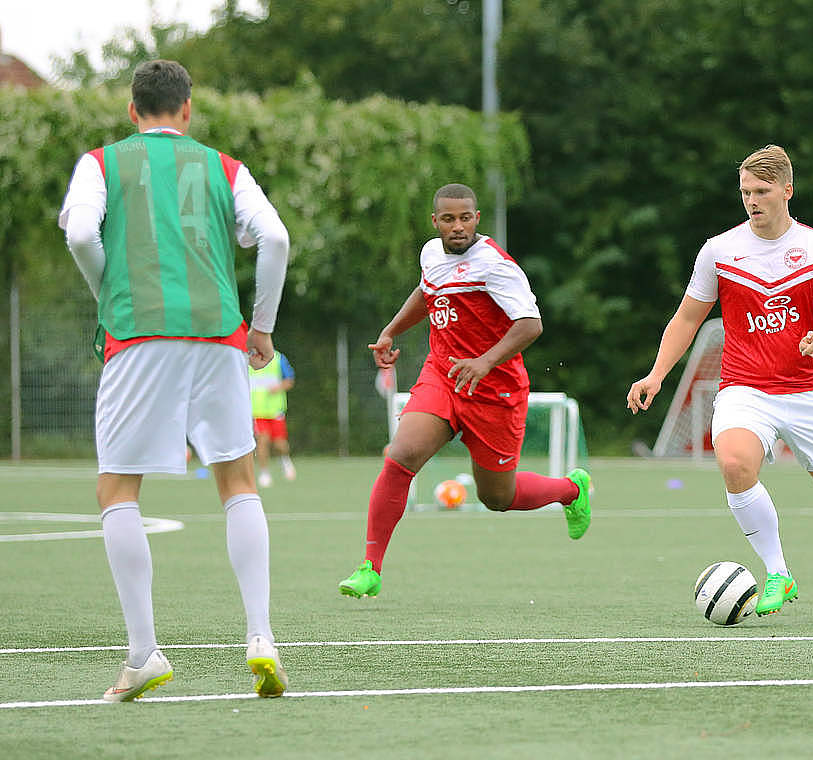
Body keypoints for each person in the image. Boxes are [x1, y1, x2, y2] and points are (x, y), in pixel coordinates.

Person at [59, 60, 290, 700]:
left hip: (139, 336)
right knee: (237, 480)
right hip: (219, 335)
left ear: (133, 111)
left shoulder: (101, 163)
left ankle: (143, 654)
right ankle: (262, 636)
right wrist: (262, 329)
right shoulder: (224, 166)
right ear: (187, 111)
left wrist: (108, 289)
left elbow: (80, 231)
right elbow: (273, 237)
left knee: (117, 489)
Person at [627, 145, 813, 623]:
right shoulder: (720, 250)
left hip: (808, 392)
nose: (752, 200)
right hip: (745, 389)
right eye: (745, 191)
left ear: (787, 190)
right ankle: (778, 572)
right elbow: (686, 319)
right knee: (734, 464)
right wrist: (656, 374)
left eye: (762, 191)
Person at [337, 183, 591, 598]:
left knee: (497, 496)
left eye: (466, 218)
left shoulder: (496, 264)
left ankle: (571, 490)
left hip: (496, 390)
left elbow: (531, 324)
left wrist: (485, 361)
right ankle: (371, 567)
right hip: (444, 375)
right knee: (400, 456)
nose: (458, 226)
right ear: (434, 221)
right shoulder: (431, 254)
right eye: (449, 219)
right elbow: (427, 291)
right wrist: (390, 330)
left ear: (476, 218)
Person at [250, 350, 297, 486]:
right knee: (262, 440)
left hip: (275, 410)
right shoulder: (245, 359)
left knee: (280, 444)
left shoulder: (278, 358)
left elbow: (289, 380)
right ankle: (264, 473)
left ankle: (285, 459)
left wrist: (278, 387)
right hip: (257, 411)